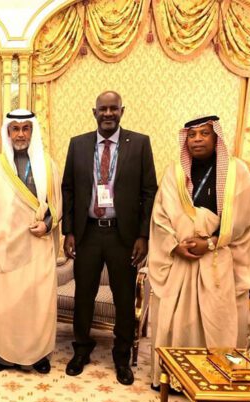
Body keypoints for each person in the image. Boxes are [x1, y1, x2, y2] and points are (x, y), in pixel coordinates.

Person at [148, 115, 250, 387]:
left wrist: (210, 242)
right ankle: (174, 378)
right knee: (178, 322)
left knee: (217, 321)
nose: (197, 139)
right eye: (192, 135)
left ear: (216, 137)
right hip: (181, 261)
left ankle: (215, 379)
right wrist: (175, 245)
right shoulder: (174, 173)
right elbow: (159, 216)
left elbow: (245, 218)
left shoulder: (236, 173)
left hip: (217, 260)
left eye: (204, 133)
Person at [62, 91, 157, 384]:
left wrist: (143, 235)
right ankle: (81, 349)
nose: (107, 114)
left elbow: (149, 192)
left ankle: (121, 355)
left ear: (121, 111)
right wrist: (69, 231)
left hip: (122, 235)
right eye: (102, 109)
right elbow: (68, 189)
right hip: (88, 232)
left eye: (113, 109)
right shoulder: (78, 144)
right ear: (94, 112)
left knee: (124, 298)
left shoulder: (139, 143)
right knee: (83, 295)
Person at [0, 109, 62, 374]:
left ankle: (38, 355)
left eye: (26, 128)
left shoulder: (48, 164)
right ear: (8, 132)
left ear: (32, 131)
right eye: (15, 129)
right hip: (3, 247)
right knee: (5, 306)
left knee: (38, 303)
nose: (21, 134)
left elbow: (58, 205)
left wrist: (47, 224)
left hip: (37, 245)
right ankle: (2, 354)